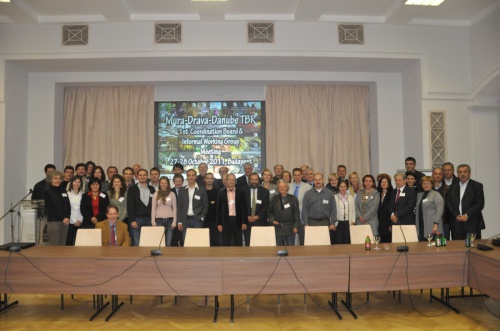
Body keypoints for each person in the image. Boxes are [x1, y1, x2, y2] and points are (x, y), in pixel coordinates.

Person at [446, 164, 485, 240]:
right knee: (458, 249)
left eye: (465, 172)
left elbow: (480, 203)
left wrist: (467, 215)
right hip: (456, 223)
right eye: (460, 172)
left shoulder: (477, 186)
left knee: (473, 248)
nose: (462, 174)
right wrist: (455, 215)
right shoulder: (452, 187)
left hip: (472, 223)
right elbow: (448, 202)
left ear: (469, 173)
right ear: (457, 174)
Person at [177, 169, 209, 242]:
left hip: (197, 219)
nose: (191, 177)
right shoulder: (182, 190)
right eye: (189, 175)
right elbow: (179, 207)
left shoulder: (202, 189)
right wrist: (179, 221)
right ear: (186, 177)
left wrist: (202, 217)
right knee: (186, 241)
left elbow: (205, 205)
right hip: (185, 220)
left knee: (197, 241)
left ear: (196, 177)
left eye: (193, 175)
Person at [127, 169, 155, 246]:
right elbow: (130, 206)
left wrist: (153, 220)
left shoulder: (152, 189)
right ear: (137, 176)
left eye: (144, 175)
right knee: (137, 242)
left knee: (149, 242)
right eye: (140, 175)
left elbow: (154, 205)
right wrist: (132, 220)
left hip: (149, 219)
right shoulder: (132, 189)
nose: (142, 177)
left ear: (147, 176)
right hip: (137, 219)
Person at [216, 174, 246, 246]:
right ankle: (226, 257)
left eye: (233, 180)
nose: (231, 181)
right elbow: (218, 210)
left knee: (238, 242)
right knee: (226, 242)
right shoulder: (221, 193)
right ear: (226, 181)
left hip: (237, 220)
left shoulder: (241, 192)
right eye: (229, 179)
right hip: (225, 221)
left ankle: (238, 256)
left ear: (235, 181)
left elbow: (244, 208)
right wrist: (219, 224)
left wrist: (244, 222)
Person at [268, 180, 300, 246]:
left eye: (284, 186)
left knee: (291, 249)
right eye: (280, 187)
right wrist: (272, 220)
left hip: (290, 228)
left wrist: (296, 226)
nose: (282, 188)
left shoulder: (293, 199)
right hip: (278, 227)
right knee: (278, 249)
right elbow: (269, 212)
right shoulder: (274, 199)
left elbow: (296, 214)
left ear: (287, 188)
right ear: (278, 189)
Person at [43, 170, 70, 245]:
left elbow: (68, 205)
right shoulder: (47, 192)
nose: (58, 180)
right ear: (50, 180)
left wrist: (67, 217)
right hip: (54, 222)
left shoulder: (63, 191)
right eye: (55, 178)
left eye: (59, 178)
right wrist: (63, 218)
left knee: (63, 244)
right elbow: (50, 208)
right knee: (54, 245)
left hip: (65, 222)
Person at [243, 172, 270, 246]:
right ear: (249, 180)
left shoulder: (265, 191)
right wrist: (246, 216)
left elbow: (266, 206)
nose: (254, 181)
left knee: (260, 242)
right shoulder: (243, 191)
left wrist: (257, 216)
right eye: (252, 180)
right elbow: (241, 206)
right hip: (247, 221)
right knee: (248, 242)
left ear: (258, 180)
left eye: (256, 179)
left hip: (260, 220)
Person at [415, 176, 444, 241]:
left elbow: (440, 210)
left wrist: (436, 224)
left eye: (428, 183)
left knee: (433, 247)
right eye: (424, 183)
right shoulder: (420, 195)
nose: (426, 185)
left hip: (432, 226)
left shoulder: (436, 194)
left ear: (432, 184)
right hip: (421, 225)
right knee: (422, 247)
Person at [288, 168, 312, 245]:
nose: (297, 177)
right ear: (293, 176)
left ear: (302, 175)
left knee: (303, 241)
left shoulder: (308, 187)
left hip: (302, 217)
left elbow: (308, 203)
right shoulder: (288, 186)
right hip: (290, 218)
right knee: (291, 242)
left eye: (299, 175)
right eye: (295, 175)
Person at [151, 177, 177, 246]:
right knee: (160, 242)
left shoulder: (172, 194)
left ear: (168, 184)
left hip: (170, 220)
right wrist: (153, 222)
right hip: (159, 220)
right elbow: (153, 209)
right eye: (162, 183)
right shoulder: (155, 194)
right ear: (159, 184)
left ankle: (168, 256)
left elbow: (175, 209)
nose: (163, 184)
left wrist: (174, 222)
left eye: (165, 183)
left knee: (168, 242)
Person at [432, 167, 451, 239]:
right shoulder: (427, 188)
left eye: (440, 174)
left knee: (443, 243)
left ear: (443, 176)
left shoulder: (448, 189)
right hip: (430, 220)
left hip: (444, 221)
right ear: (432, 175)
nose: (437, 175)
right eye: (435, 173)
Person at [204, 172, 220, 246]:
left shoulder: (218, 192)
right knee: (205, 240)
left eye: (211, 178)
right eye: (207, 178)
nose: (209, 180)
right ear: (204, 180)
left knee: (215, 240)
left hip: (214, 220)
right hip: (203, 220)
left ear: (213, 180)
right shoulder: (201, 191)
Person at [66, 175, 83, 245]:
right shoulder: (67, 194)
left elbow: (84, 209)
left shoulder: (83, 194)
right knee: (69, 243)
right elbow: (67, 208)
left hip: (80, 221)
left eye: (79, 182)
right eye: (75, 182)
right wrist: (74, 220)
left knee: (79, 243)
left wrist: (80, 219)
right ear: (71, 182)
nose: (77, 184)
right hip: (69, 222)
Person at [377, 173, 394, 243]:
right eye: (382, 182)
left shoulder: (392, 194)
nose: (383, 183)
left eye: (385, 182)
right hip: (379, 223)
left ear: (389, 184)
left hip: (388, 223)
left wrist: (391, 224)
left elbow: (393, 209)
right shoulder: (377, 194)